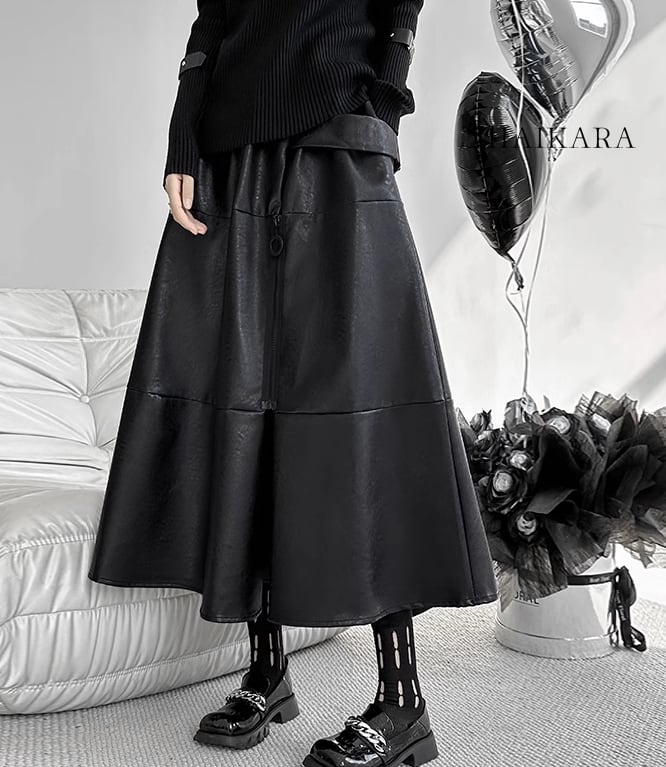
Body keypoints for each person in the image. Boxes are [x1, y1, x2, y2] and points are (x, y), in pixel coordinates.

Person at [87, 2, 498, 766]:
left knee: (361, 402)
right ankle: (266, 669)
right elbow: (214, 19)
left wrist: (381, 102)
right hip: (229, 151)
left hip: (338, 133)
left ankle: (403, 700)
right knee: (244, 402)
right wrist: (183, 139)